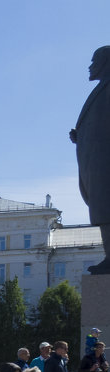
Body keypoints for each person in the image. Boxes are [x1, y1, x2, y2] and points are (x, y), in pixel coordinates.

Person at [71, 46, 110, 273]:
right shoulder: (100, 90)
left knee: (106, 211)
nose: (90, 66)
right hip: (96, 164)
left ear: (105, 62)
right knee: (104, 212)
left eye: (94, 61)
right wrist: (81, 136)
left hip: (105, 165)